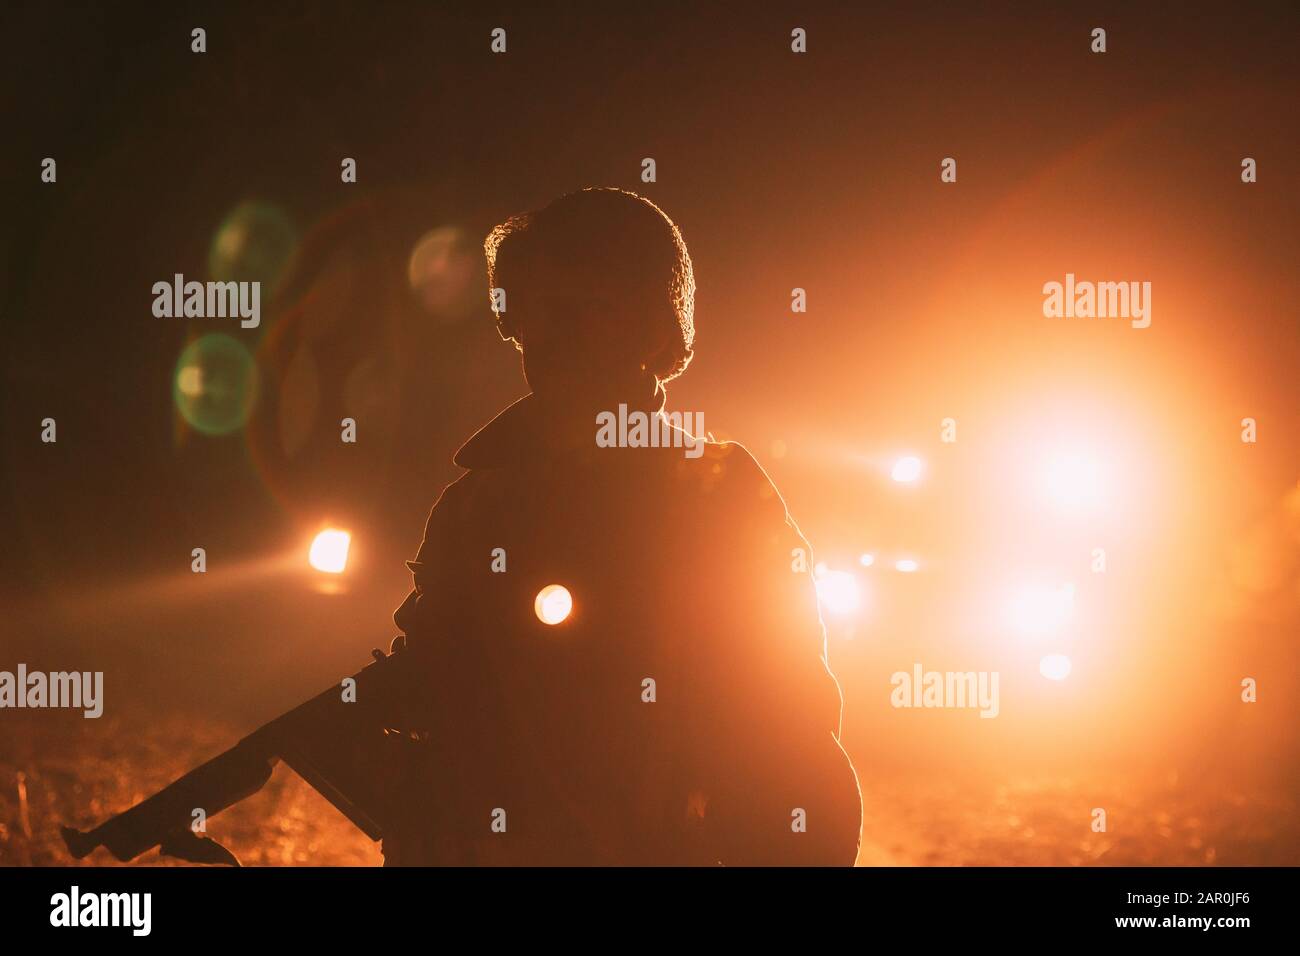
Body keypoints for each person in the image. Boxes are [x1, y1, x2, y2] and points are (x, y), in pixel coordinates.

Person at [383, 187, 861, 865]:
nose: (549, 342)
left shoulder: (713, 492)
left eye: (582, 313)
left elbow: (790, 734)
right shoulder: (473, 507)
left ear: (652, 331)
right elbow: (434, 711)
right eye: (532, 316)